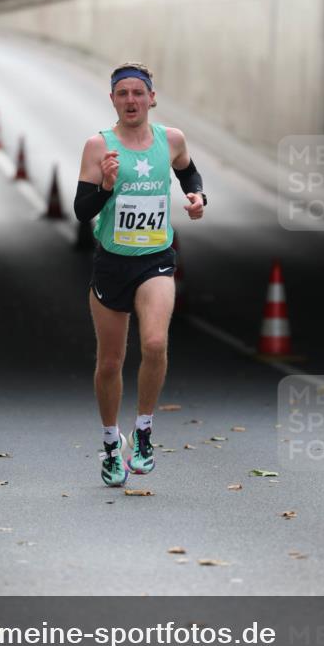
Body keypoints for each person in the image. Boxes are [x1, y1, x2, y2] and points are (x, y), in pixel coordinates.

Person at [74, 62, 207, 487]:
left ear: (152, 98)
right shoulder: (99, 146)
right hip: (113, 262)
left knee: (153, 342)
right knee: (110, 363)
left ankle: (144, 432)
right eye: (122, 94)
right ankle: (112, 443)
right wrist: (106, 187)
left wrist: (197, 195)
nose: (131, 100)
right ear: (112, 99)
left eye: (138, 93)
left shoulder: (171, 140)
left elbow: (188, 170)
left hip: (156, 258)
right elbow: (82, 211)